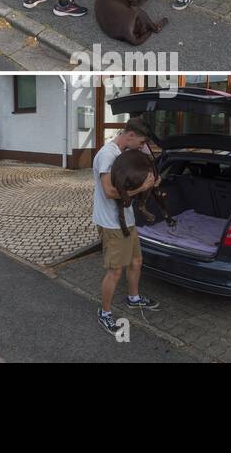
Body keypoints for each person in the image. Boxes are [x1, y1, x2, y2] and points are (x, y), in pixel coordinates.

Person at [92, 117, 160, 335]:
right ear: (130, 135)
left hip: (127, 219)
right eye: (140, 142)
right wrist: (141, 189)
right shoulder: (108, 155)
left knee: (137, 261)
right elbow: (110, 192)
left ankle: (133, 298)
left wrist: (149, 181)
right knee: (115, 272)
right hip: (112, 223)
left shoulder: (124, 154)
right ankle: (104, 313)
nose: (141, 147)